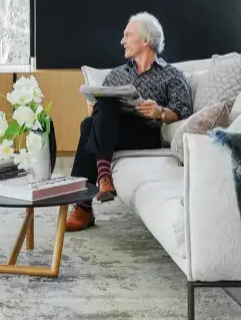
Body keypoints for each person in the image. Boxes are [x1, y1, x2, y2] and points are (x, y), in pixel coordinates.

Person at [66, 12, 193, 231]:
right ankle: (103, 178)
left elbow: (184, 110)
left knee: (89, 128)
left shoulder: (172, 75)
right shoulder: (116, 75)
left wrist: (161, 112)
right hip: (114, 132)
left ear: (145, 40)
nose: (122, 41)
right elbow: (99, 111)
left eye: (127, 35)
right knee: (92, 120)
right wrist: (94, 107)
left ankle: (83, 208)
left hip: (147, 134)